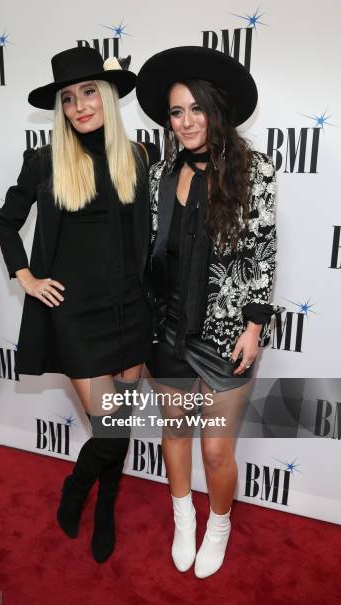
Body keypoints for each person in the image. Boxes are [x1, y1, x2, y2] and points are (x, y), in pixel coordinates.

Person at [0, 46, 158, 563]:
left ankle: (105, 504)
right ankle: (76, 489)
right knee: (108, 431)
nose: (81, 105)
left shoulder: (137, 157)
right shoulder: (45, 161)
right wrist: (26, 276)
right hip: (76, 316)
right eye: (69, 98)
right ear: (61, 108)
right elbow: (6, 220)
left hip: (130, 308)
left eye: (89, 92)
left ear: (107, 96)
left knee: (120, 424)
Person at [136, 46, 282, 577]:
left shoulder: (254, 171)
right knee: (174, 432)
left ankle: (219, 524)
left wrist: (253, 326)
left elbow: (263, 252)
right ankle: (182, 518)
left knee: (216, 451)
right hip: (168, 328)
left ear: (216, 112)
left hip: (226, 335)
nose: (186, 121)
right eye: (176, 112)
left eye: (196, 108)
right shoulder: (159, 177)